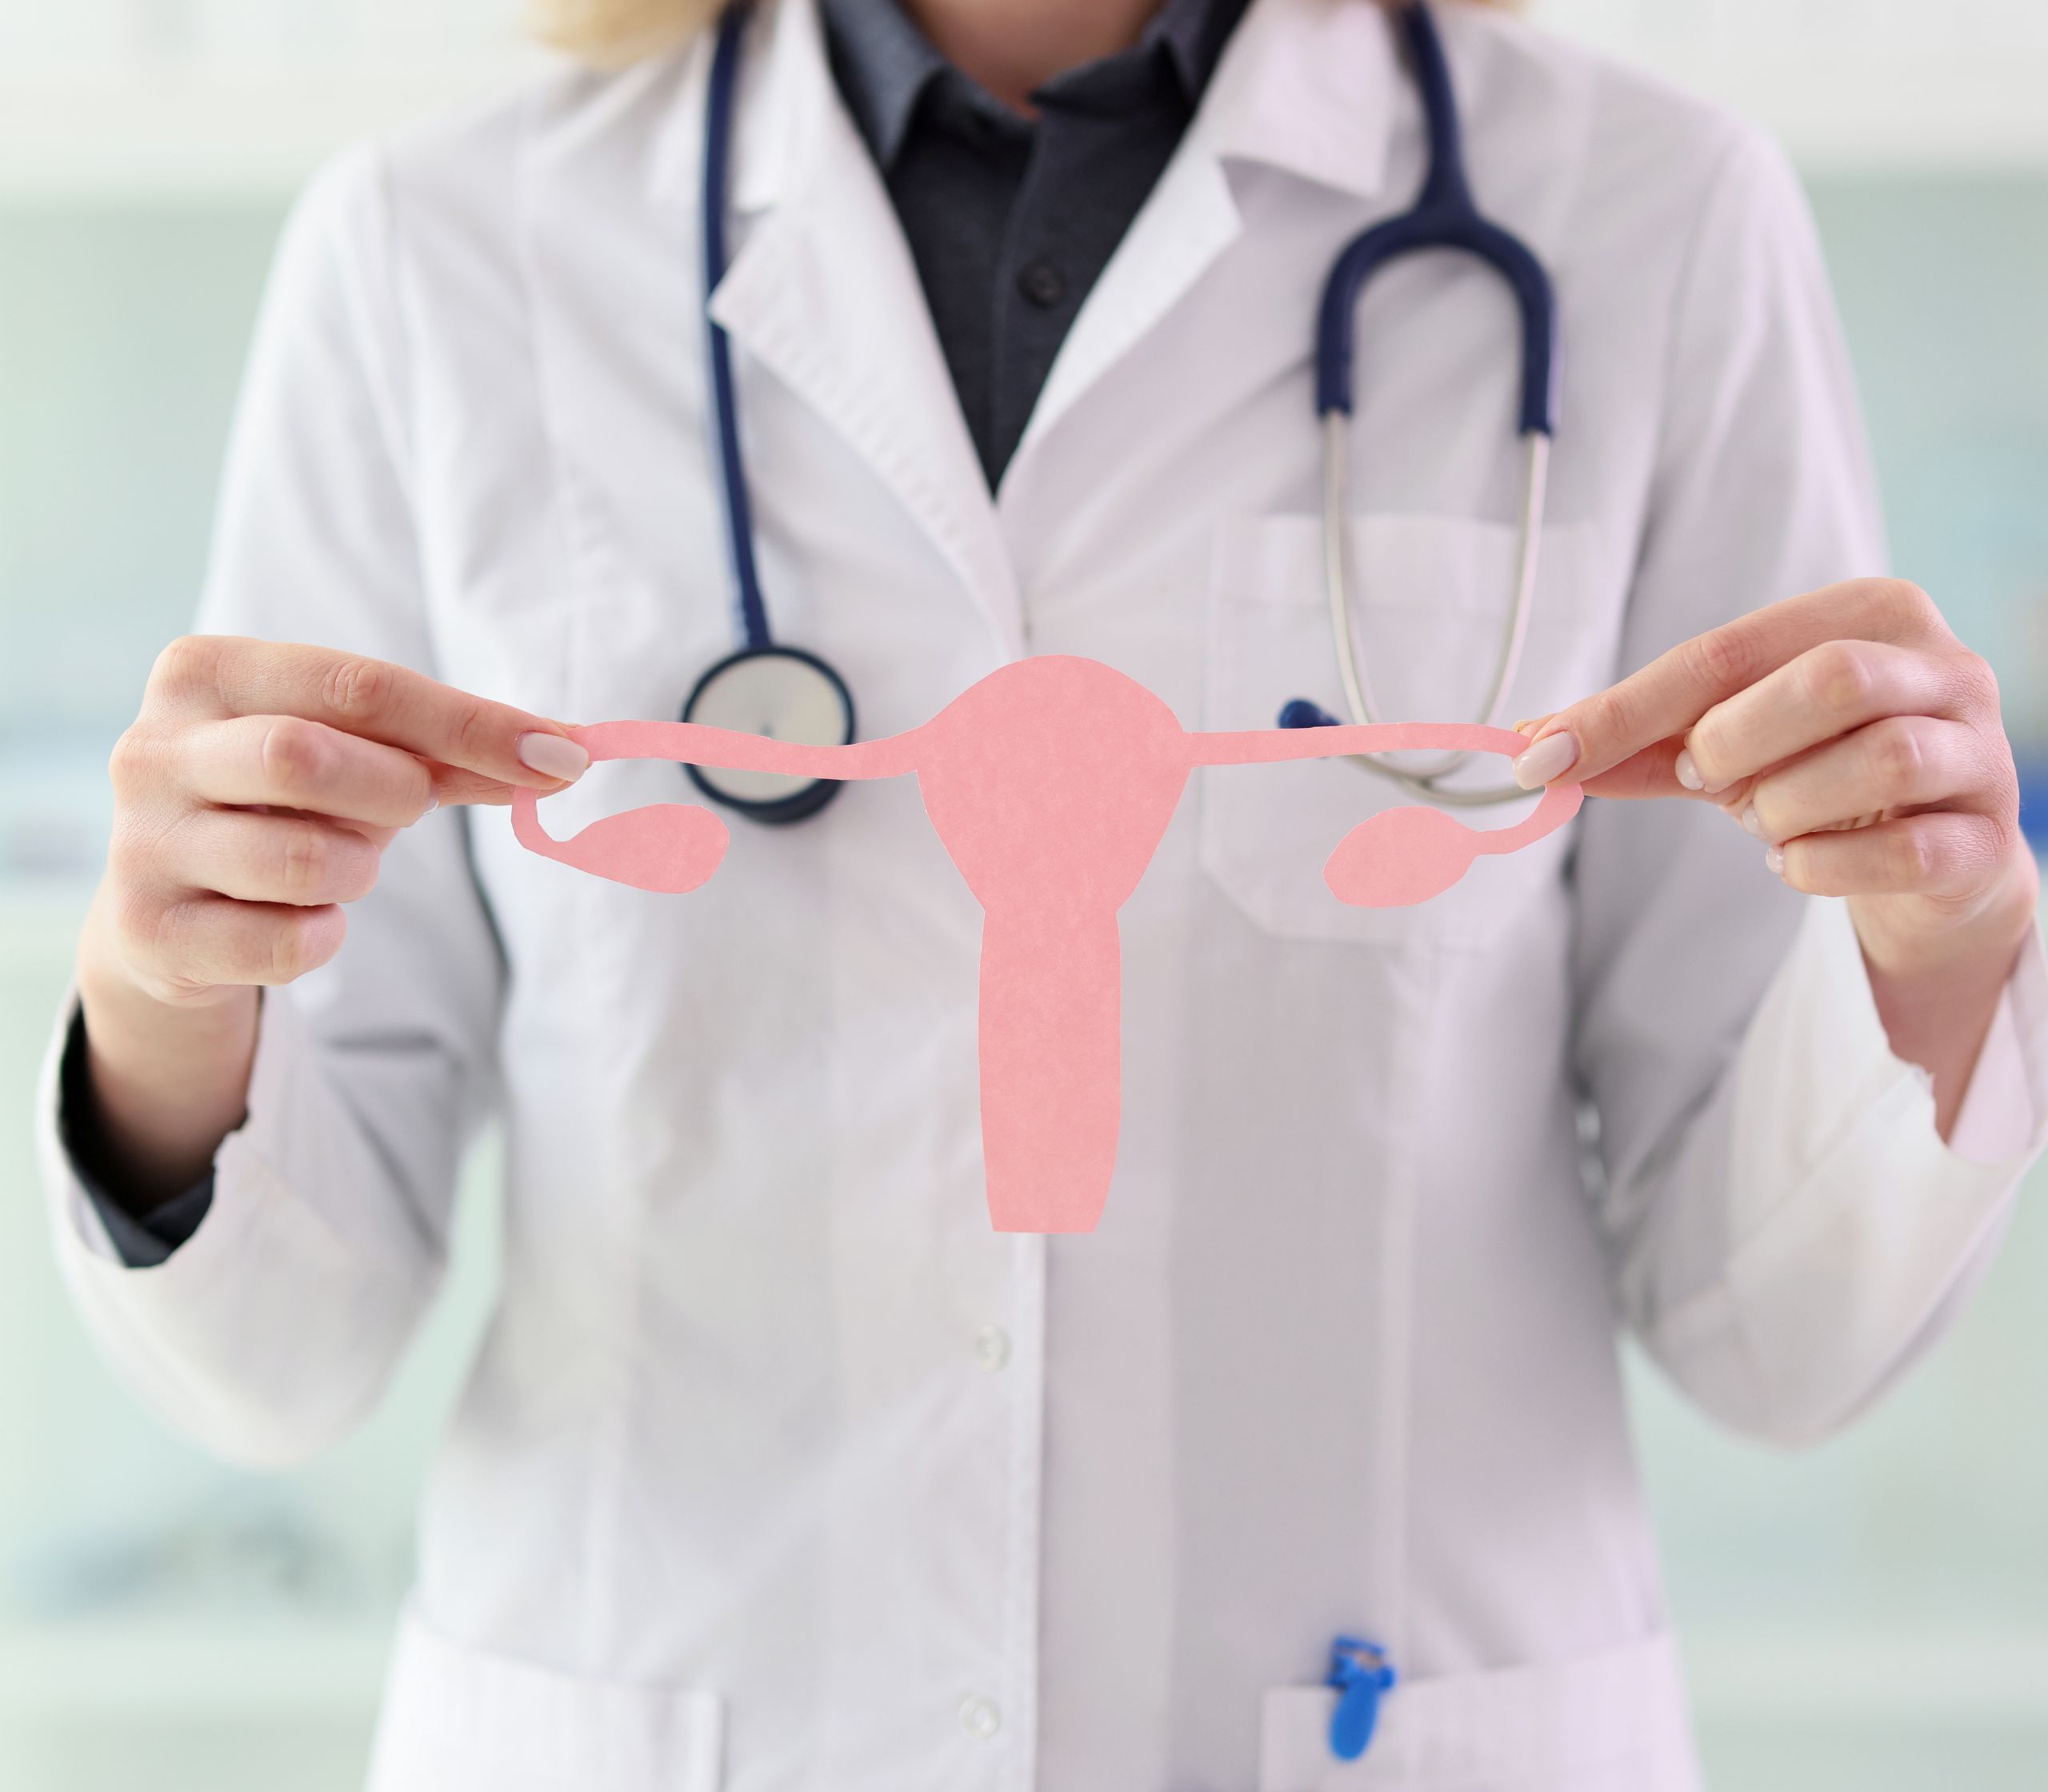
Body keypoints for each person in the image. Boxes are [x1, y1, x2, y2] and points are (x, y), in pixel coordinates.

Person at [37, 0, 2046, 1786]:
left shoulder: (1648, 218)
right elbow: (280, 1355)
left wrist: (1932, 948)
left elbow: (1772, 1340)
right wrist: (166, 1000)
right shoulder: (432, 255)